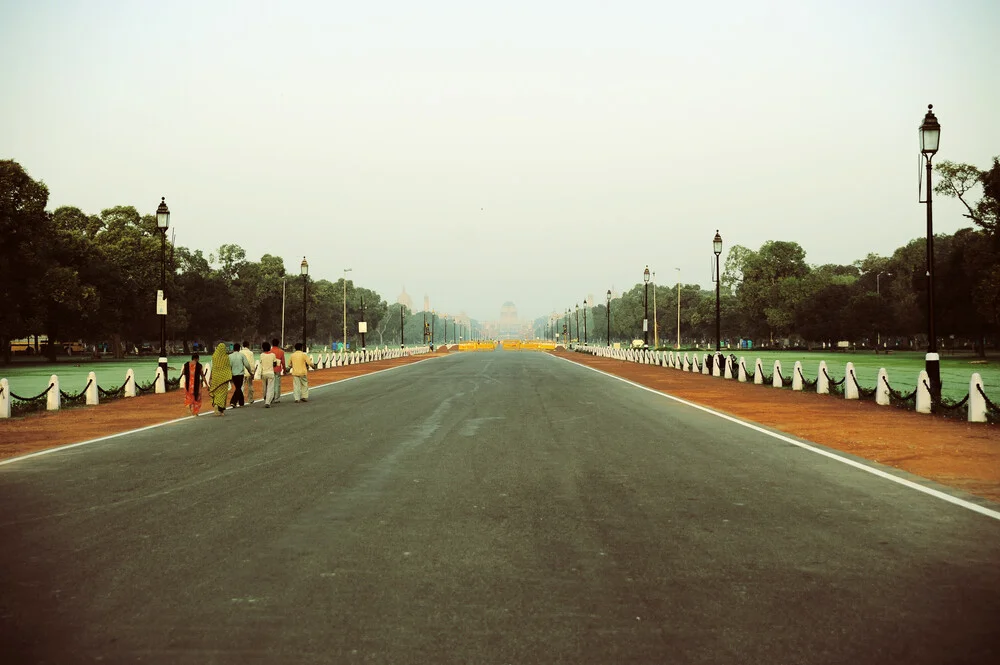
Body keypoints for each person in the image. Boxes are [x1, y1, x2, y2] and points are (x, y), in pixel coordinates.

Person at [207, 342, 234, 416]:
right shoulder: (226, 357)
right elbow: (228, 367)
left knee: (216, 392)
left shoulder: (214, 357)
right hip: (224, 378)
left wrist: (210, 378)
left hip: (215, 377)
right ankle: (221, 409)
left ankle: (216, 404)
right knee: (223, 393)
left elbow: (213, 367)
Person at [228, 343, 253, 408]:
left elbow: (229, 366)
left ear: (233, 348)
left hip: (233, 374)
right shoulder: (241, 355)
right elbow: (247, 364)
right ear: (239, 348)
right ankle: (233, 401)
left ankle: (241, 402)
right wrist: (250, 372)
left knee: (238, 387)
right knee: (238, 388)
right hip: (240, 374)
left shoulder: (230, 356)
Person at [259, 341, 277, 408]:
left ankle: (265, 397)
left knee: (264, 387)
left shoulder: (261, 355)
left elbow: (261, 363)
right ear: (269, 347)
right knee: (270, 388)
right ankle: (267, 402)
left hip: (264, 373)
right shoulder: (273, 355)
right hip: (270, 373)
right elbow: (275, 364)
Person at [270, 338, 286, 403]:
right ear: (278, 344)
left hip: (270, 369)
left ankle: (271, 397)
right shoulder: (281, 351)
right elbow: (283, 362)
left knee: (270, 384)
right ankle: (276, 398)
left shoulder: (270, 351)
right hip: (278, 369)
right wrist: (284, 369)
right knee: (277, 384)